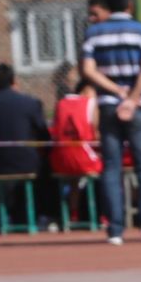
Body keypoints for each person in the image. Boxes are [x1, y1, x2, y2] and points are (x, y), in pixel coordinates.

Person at [81, 0, 141, 244]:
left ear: (106, 4)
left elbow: (89, 70)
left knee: (111, 167)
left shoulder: (93, 33)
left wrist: (116, 92)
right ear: (130, 4)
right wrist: (132, 97)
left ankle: (115, 230)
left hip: (107, 105)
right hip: (138, 107)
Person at [0, 61, 51, 231]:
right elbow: (44, 136)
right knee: (45, 171)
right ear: (14, 80)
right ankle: (41, 215)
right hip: (27, 162)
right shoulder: (31, 103)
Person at [48, 66, 105, 229]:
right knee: (109, 169)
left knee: (74, 180)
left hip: (60, 160)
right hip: (83, 158)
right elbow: (95, 134)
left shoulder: (61, 104)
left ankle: (73, 214)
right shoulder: (89, 105)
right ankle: (103, 214)